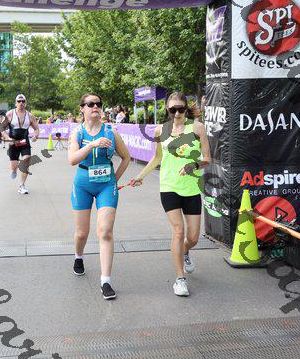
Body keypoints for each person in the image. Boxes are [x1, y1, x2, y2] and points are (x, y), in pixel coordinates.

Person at [130, 92, 211, 297]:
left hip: (191, 188)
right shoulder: (161, 130)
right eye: (173, 109)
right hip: (168, 187)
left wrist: (194, 165)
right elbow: (157, 157)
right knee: (178, 231)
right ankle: (180, 278)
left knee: (193, 237)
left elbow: (207, 159)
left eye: (180, 109)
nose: (176, 113)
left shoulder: (197, 128)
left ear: (186, 108)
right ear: (167, 109)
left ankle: (185, 251)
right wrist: (140, 176)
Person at [68, 93, 131, 300]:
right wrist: (92, 145)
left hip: (106, 185)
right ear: (82, 108)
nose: (95, 106)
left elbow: (126, 157)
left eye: (98, 104)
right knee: (82, 233)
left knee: (105, 231)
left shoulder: (111, 132)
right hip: (83, 185)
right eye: (90, 104)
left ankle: (105, 281)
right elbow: (72, 159)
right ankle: (78, 256)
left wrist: (114, 180)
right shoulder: (77, 133)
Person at [0, 94, 39, 194]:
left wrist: (35, 136)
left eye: (23, 101)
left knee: (26, 161)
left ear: (25, 103)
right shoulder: (10, 114)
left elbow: (36, 128)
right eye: (19, 101)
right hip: (13, 143)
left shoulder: (30, 116)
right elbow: (2, 128)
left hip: (24, 142)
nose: (21, 103)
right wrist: (8, 138)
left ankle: (22, 185)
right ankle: (14, 170)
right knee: (14, 165)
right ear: (15, 103)